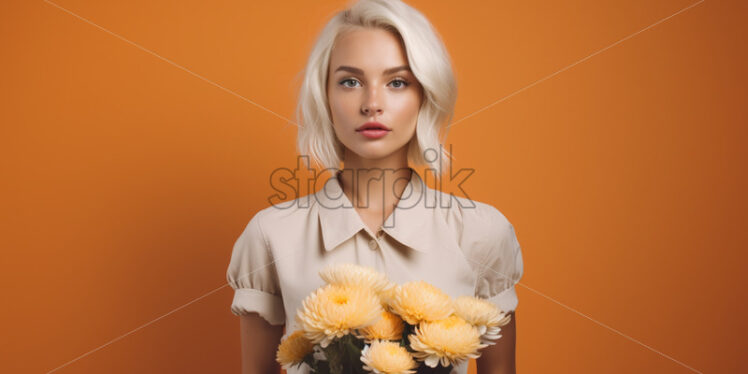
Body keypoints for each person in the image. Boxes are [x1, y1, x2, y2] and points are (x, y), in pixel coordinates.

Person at [225, 0, 524, 373]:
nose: (372, 104)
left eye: (397, 82)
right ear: (325, 96)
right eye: (350, 81)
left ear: (424, 95)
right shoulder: (270, 234)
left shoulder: (482, 232)